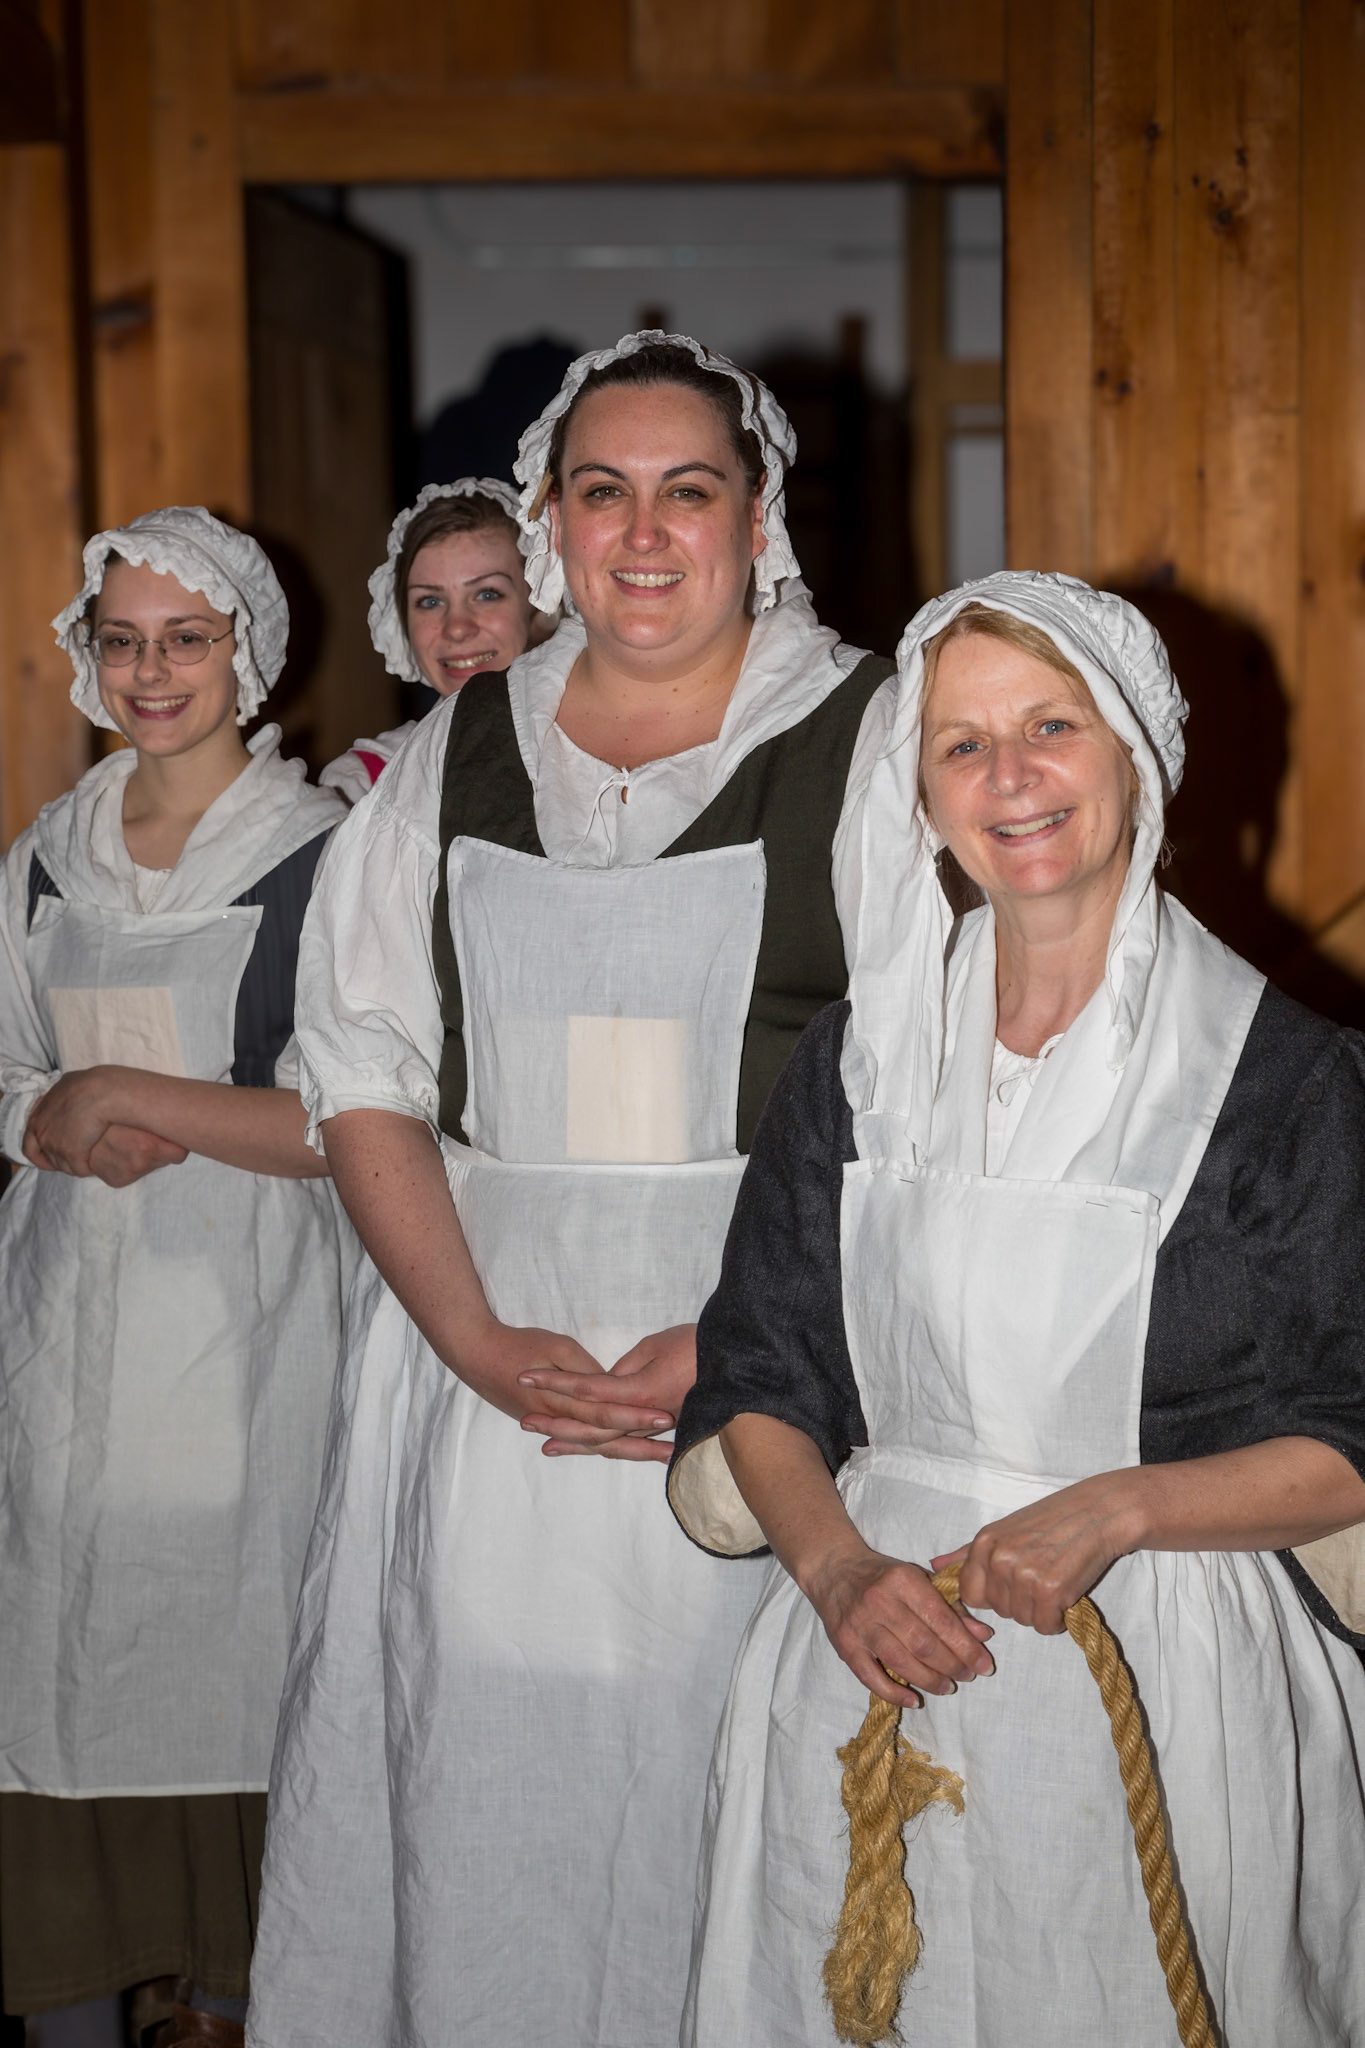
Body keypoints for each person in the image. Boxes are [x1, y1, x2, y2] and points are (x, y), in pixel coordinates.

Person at [246, 332, 898, 2048]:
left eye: (691, 489)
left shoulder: (873, 736)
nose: (646, 532)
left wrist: (748, 1343)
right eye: (603, 491)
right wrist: (470, 1337)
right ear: (551, 521)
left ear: (757, 516)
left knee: (740, 1810)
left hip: (774, 1375)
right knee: (488, 1805)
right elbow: (361, 1065)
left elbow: (925, 1089)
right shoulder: (456, 750)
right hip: (485, 1388)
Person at [668, 572, 1365, 2046]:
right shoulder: (854, 1060)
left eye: (1052, 726)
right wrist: (838, 1572)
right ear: (919, 795)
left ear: (1134, 751)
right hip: (867, 1643)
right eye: (963, 744)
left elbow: (1350, 1433)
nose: (1012, 776)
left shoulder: (1283, 1076)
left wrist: (1118, 1507)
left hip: (1168, 1668)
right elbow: (761, 1373)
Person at [0, 509, 353, 2048]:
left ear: (247, 651)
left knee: (242, 1677)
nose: (152, 673)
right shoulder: (45, 857)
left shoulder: (320, 854)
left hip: (251, 1329)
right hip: (68, 1329)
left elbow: (360, 1120)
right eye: (123, 641)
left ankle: (239, 2002)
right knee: (64, 1672)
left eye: (186, 640)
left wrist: (139, 1102)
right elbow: (6, 1070)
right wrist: (48, 1120)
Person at [321, 478, 542, 803]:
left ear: (537, 604)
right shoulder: (365, 785)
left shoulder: (598, 759)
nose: (457, 628)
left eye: (487, 594)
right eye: (430, 601)